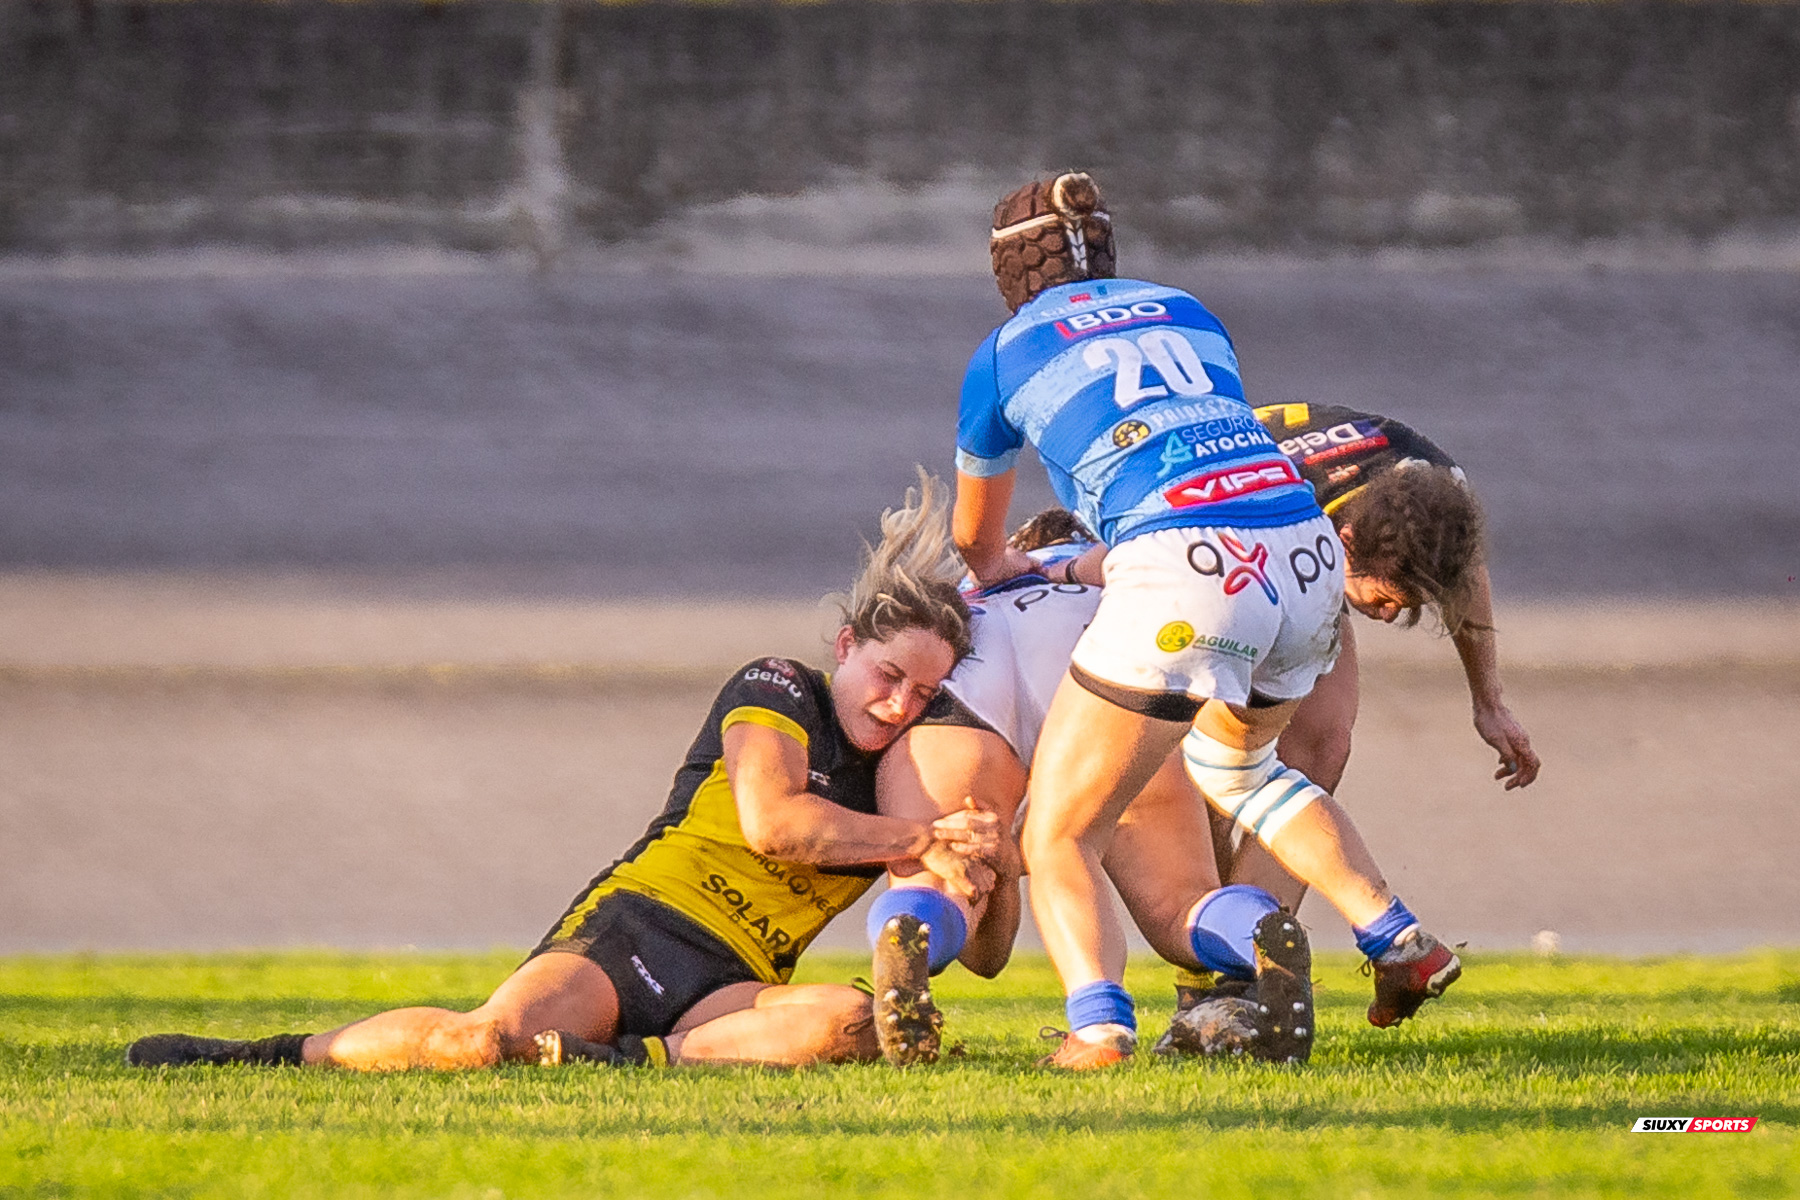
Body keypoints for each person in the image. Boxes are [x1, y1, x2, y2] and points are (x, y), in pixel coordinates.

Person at [125, 475, 1001, 1072]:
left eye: (924, 695)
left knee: (856, 1024)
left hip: (737, 981)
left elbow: (989, 957)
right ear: (847, 646)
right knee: (477, 1047)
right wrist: (926, 835)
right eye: (890, 678)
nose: (899, 707)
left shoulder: (905, 778)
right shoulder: (777, 686)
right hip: (642, 929)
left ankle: (623, 1063)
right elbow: (777, 824)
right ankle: (273, 1055)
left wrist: (990, 866)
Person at [953, 171, 1446, 1069]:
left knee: (1059, 830)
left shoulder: (1001, 353)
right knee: (1241, 769)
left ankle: (1098, 1030)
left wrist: (1022, 568)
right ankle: (1400, 940)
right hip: (1304, 552)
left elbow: (977, 541)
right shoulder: (1187, 308)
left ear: (1008, 275)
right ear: (1107, 250)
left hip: (1185, 569)